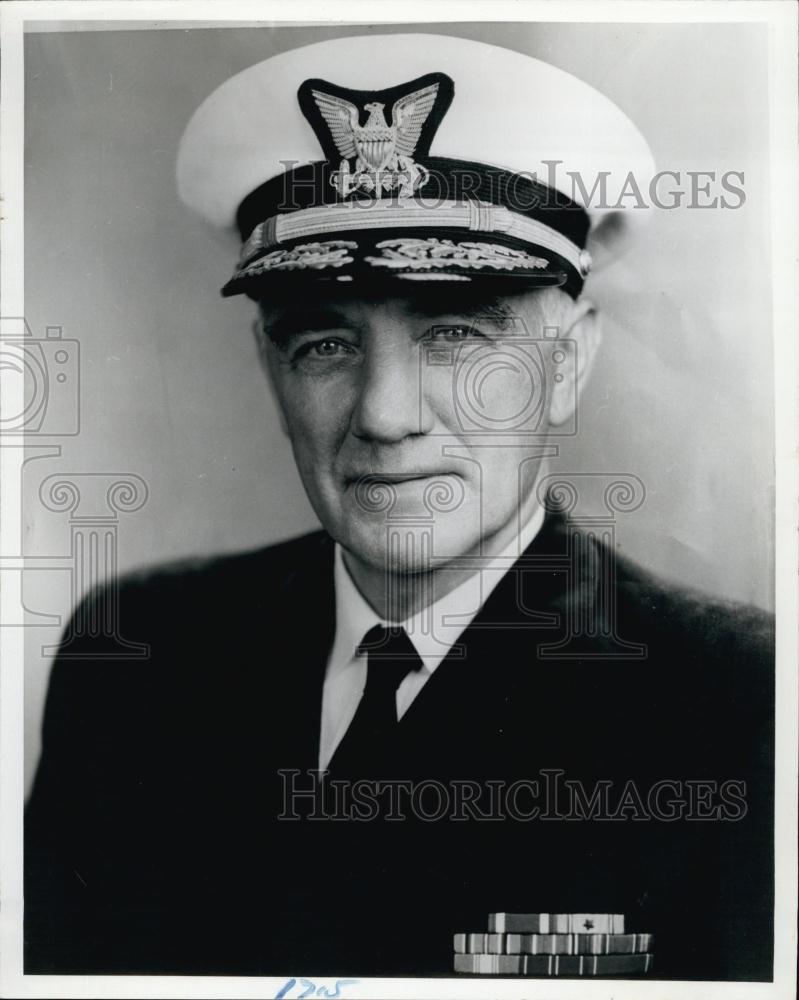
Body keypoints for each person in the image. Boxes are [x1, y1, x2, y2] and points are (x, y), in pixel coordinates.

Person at [25, 33, 773, 980]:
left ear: (569, 361)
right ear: (268, 365)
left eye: (457, 334)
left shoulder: (734, 703)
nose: (384, 416)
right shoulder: (134, 657)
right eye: (323, 344)